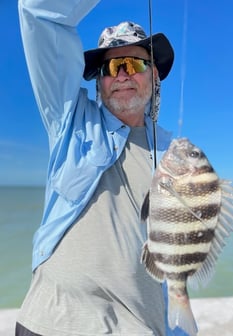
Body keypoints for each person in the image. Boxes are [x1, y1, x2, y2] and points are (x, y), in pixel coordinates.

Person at [17, 1, 188, 335]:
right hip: (49, 323)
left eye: (133, 63)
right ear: (99, 81)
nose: (122, 74)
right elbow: (37, 11)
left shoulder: (176, 154)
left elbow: (177, 257)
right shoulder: (69, 119)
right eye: (111, 68)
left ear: (153, 75)